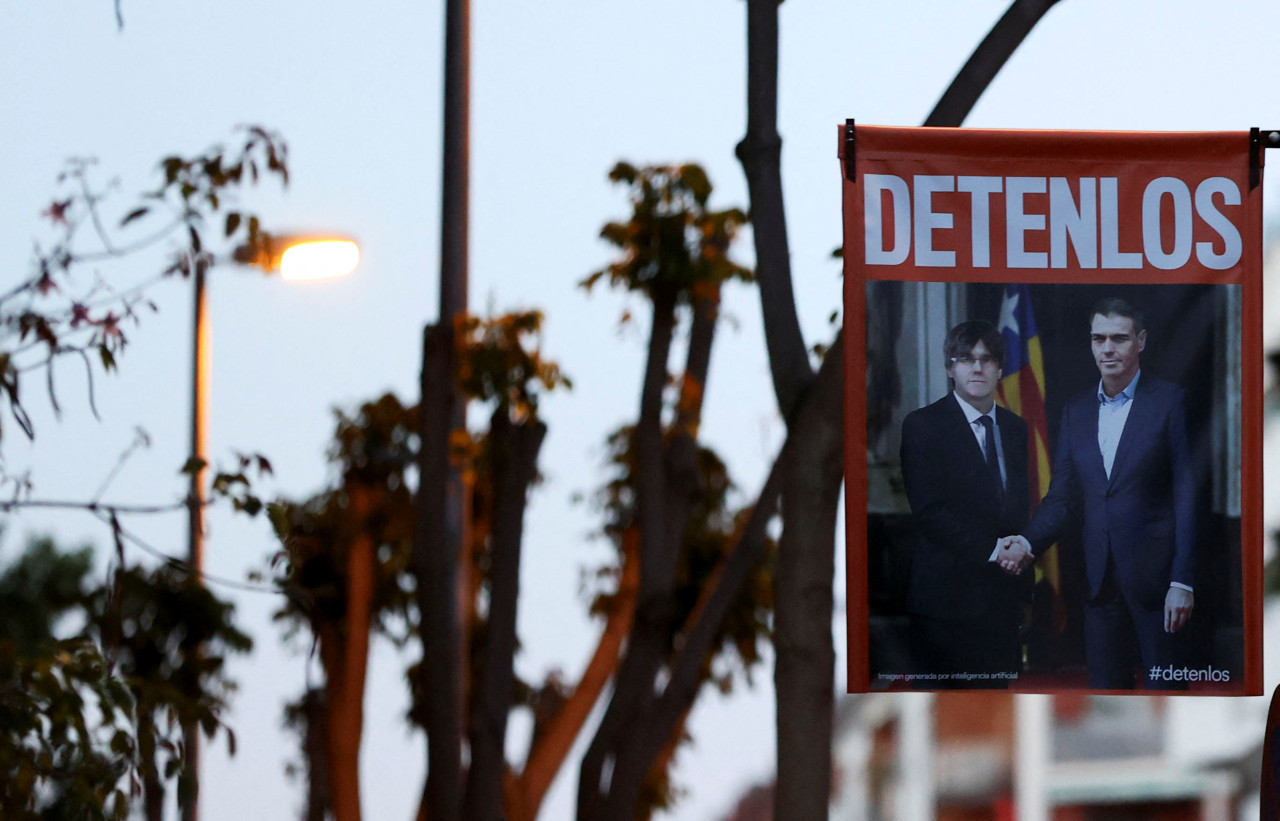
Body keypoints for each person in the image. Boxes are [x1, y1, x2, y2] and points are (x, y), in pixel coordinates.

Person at [1000, 297, 1197, 690]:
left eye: (1119, 338)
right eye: (1098, 338)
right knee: (1107, 695)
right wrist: (1026, 540)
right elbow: (1061, 498)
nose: (1107, 348)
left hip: (1159, 587)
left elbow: (1188, 495)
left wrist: (1183, 581)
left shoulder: (1170, 402)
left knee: (1167, 698)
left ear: (1140, 341)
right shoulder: (1077, 411)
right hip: (1097, 585)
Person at [899, 320, 1031, 688]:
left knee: (996, 718)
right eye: (965, 358)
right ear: (949, 369)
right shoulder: (923, 426)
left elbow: (1018, 511)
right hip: (943, 609)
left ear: (1000, 368)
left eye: (987, 359)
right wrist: (994, 551)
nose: (977, 367)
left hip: (1001, 608)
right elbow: (930, 512)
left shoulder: (1016, 429)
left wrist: (1025, 593)